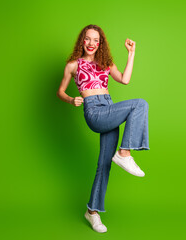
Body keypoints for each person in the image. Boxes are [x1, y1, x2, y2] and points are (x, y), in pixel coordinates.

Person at [56, 24, 149, 233]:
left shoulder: (105, 63)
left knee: (104, 164)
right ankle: (124, 153)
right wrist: (71, 100)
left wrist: (131, 53)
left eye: (95, 40)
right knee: (140, 104)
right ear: (82, 40)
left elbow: (124, 80)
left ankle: (92, 212)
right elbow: (60, 91)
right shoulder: (73, 65)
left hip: (109, 108)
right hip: (94, 112)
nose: (91, 43)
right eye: (88, 39)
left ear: (100, 43)